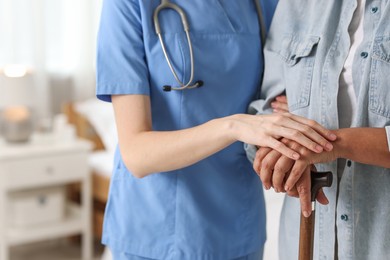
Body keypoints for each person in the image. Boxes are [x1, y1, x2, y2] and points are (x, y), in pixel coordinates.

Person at [95, 0, 338, 259]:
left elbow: (279, 88)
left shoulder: (262, 4)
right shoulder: (129, 5)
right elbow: (136, 153)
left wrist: (293, 107)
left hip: (238, 226)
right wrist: (233, 126)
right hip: (156, 227)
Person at [247, 0, 390, 259]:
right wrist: (280, 151)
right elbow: (269, 109)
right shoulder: (297, 5)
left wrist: (327, 144)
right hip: (306, 240)